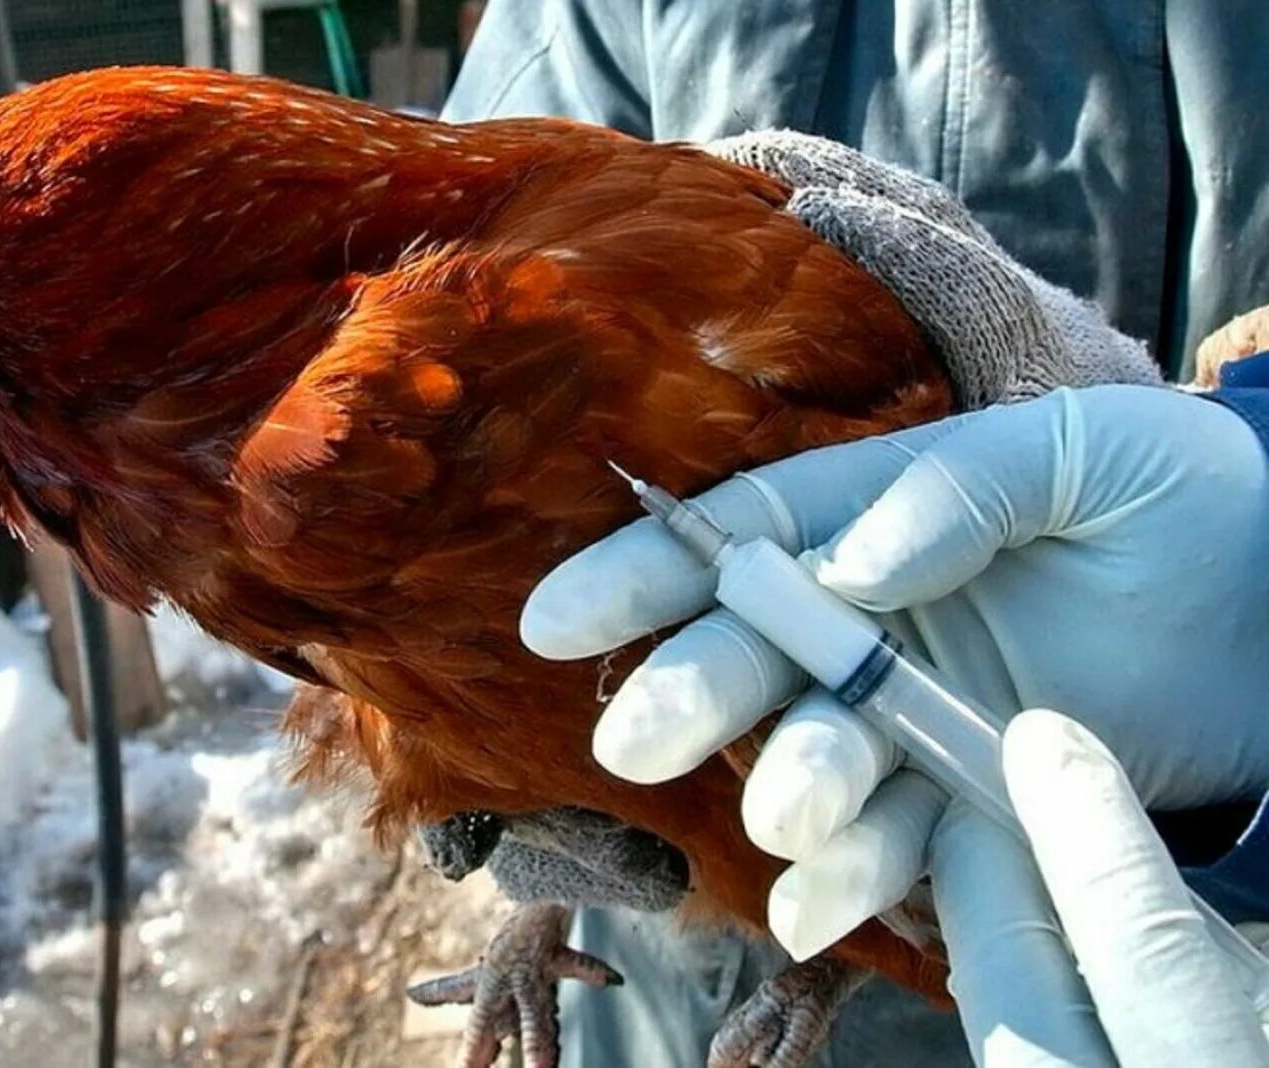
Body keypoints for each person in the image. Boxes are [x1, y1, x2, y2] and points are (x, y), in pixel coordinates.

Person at [441, 1, 1269, 1064]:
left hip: (1151, 867)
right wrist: (480, 743)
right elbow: (460, 346)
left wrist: (1249, 538)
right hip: (679, 922)